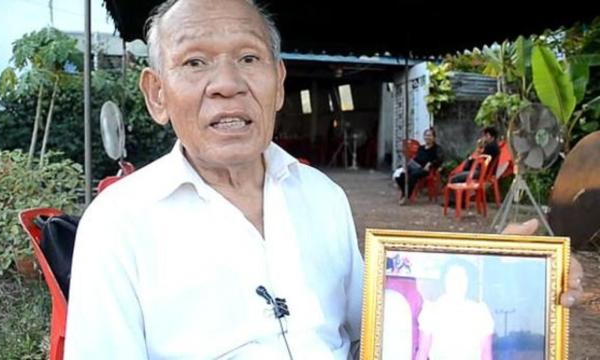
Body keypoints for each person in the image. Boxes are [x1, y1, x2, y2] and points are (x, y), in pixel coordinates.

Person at [64, 0, 584, 358]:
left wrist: (505, 270)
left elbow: (375, 330)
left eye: (248, 58)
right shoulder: (119, 224)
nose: (227, 84)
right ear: (157, 94)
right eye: (195, 62)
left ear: (278, 83)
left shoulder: (322, 196)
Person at [415, 259, 494, 360]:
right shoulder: (431, 310)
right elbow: (423, 351)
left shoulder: (481, 312)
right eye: (452, 277)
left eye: (461, 277)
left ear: (467, 282)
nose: (456, 282)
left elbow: (486, 352)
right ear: (444, 281)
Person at [395, 128, 444, 205]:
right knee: (400, 176)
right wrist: (407, 165)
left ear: (434, 137)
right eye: (426, 135)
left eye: (430, 135)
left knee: (413, 175)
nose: (427, 137)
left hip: (426, 170)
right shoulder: (421, 148)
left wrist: (430, 163)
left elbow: (440, 159)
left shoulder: (437, 148)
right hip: (415, 166)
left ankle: (406, 196)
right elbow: (416, 158)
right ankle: (405, 192)